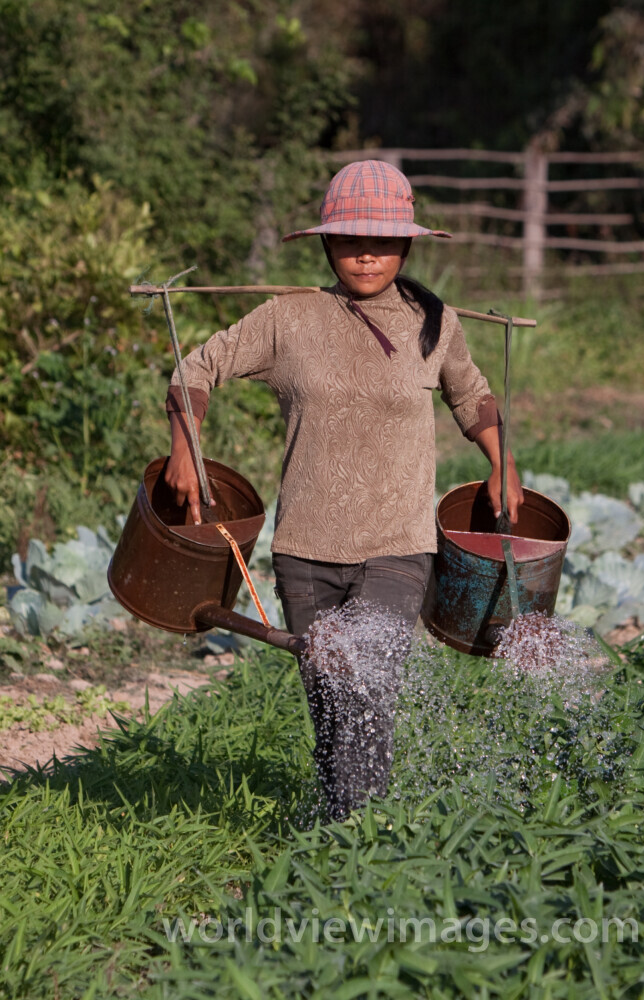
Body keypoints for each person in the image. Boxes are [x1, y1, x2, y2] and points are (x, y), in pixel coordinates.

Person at [163, 159, 521, 819]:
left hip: (397, 544)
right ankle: (343, 830)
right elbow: (197, 366)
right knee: (330, 697)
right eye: (351, 239)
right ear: (327, 243)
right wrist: (185, 445)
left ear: (407, 245)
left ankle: (369, 831)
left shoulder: (432, 321)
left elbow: (471, 394)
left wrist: (503, 463)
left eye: (383, 240)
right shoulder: (288, 320)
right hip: (306, 548)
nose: (365, 253)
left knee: (368, 684)